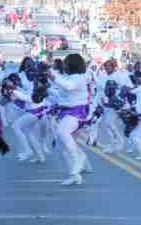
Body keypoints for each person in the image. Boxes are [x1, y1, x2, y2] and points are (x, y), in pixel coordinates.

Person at [47, 54, 92, 185]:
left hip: (78, 111)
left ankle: (78, 160)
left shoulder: (81, 77)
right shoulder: (70, 77)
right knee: (61, 146)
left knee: (62, 132)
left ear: (72, 64)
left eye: (66, 63)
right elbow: (62, 93)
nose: (64, 65)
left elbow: (69, 86)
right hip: (67, 111)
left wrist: (53, 77)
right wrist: (49, 87)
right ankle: (75, 175)